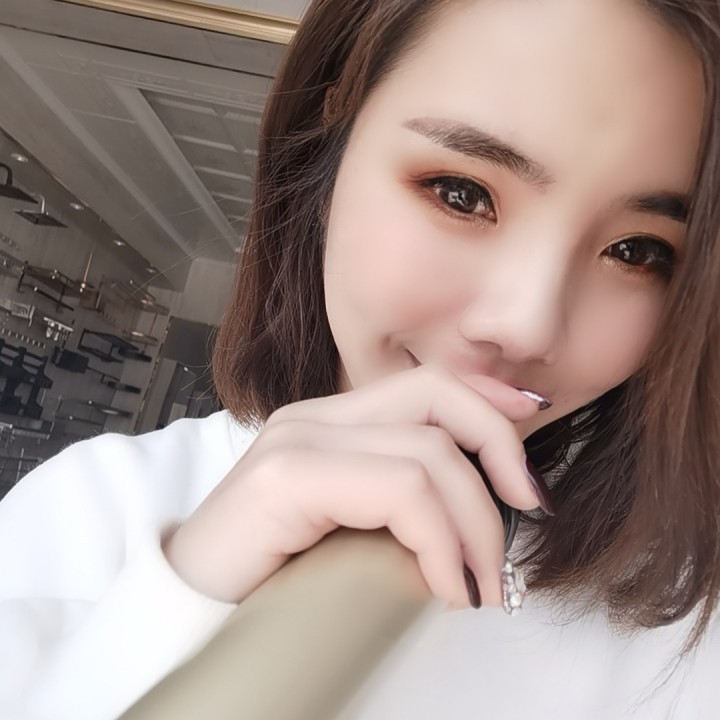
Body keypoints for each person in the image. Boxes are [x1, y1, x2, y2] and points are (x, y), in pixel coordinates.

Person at [2, 0, 720, 717]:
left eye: (638, 252)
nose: (527, 327)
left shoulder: (685, 623)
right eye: (462, 193)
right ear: (326, 152)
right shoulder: (92, 512)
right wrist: (183, 596)